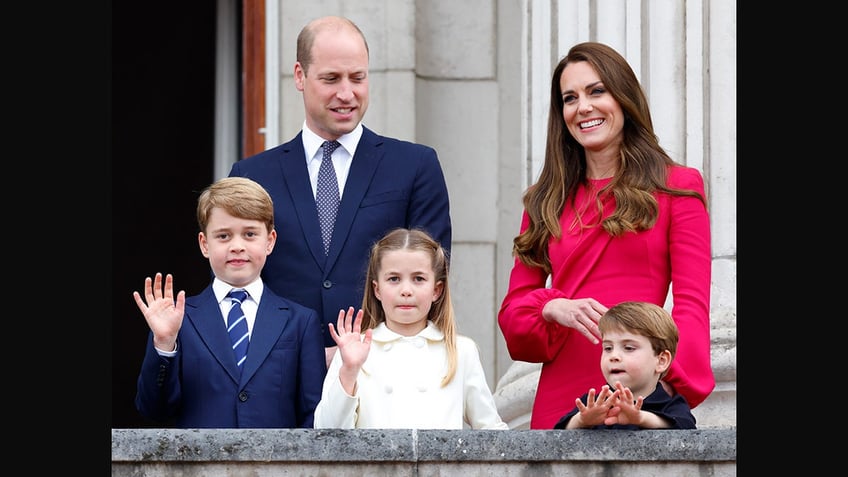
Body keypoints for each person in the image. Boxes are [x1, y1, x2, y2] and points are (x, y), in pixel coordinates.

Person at [497, 41, 714, 429]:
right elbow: (514, 318)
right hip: (563, 401)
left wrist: (667, 388)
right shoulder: (543, 201)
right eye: (570, 98)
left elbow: (692, 305)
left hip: (640, 396)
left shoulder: (677, 187)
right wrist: (552, 306)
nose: (583, 107)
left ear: (623, 98)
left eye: (597, 91)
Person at [229, 16, 452, 368]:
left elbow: (431, 279)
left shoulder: (415, 166)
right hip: (278, 380)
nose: (346, 93)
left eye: (358, 78)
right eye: (331, 78)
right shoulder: (252, 175)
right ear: (300, 76)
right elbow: (235, 287)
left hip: (385, 376)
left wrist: (360, 353)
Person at [132, 177, 327, 428]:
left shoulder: (300, 321)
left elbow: (313, 414)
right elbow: (153, 410)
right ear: (204, 244)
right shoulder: (179, 319)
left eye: (249, 234)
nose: (237, 246)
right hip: (199, 465)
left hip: (276, 466)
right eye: (223, 236)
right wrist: (164, 344)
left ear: (270, 241)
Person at [313, 228, 508, 429]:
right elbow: (327, 432)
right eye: (394, 279)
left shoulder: (460, 351)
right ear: (377, 289)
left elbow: (491, 431)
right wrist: (349, 371)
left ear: (436, 290)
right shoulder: (354, 351)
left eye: (418, 279)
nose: (406, 290)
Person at [553, 301, 696, 429]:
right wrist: (582, 420)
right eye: (608, 348)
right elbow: (557, 437)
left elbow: (688, 430)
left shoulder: (671, 405)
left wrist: (641, 418)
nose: (614, 356)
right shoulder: (596, 404)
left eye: (628, 348)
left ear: (661, 361)